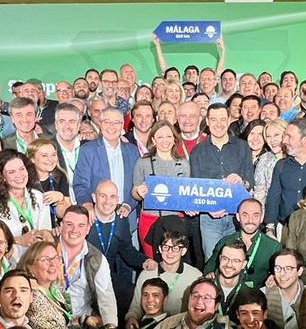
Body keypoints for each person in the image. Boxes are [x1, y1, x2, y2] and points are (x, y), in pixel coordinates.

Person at [191, 103, 255, 259]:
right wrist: (208, 207)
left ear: (228, 120)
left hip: (237, 216)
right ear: (207, 121)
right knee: (212, 261)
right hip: (209, 218)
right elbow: (195, 187)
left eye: (222, 119)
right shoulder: (197, 151)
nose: (218, 124)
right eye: (213, 119)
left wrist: (242, 181)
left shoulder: (243, 147)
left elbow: (250, 182)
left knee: (236, 260)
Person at [0, 150, 53, 258]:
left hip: (38, 259)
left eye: (22, 169)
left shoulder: (39, 197)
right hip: (8, 264)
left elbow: (46, 229)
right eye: (12, 172)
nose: (19, 175)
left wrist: (45, 233)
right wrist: (18, 240)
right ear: (2, 177)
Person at [89, 180, 148, 317]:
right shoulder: (85, 218)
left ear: (118, 199)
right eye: (102, 196)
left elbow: (128, 252)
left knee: (133, 297)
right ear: (94, 198)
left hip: (107, 278)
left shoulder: (120, 221)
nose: (107, 201)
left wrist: (146, 261)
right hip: (84, 280)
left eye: (112, 197)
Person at [131, 121, 190, 255]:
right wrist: (139, 192)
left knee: (172, 261)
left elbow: (186, 194)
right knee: (152, 263)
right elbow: (134, 192)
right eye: (160, 137)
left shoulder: (183, 164)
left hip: (175, 221)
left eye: (169, 136)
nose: (165, 141)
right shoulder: (143, 162)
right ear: (153, 140)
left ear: (174, 139)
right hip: (149, 220)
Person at [126, 229, 203, 327]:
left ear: (183, 251)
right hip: (151, 327)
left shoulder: (195, 276)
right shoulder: (147, 274)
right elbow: (136, 306)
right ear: (160, 249)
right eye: (166, 247)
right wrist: (131, 318)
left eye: (175, 248)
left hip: (180, 328)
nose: (170, 252)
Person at [72, 106, 139, 215]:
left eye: (116, 122)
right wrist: (87, 205)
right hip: (96, 215)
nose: (111, 127)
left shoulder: (132, 151)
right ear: (100, 124)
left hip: (126, 214)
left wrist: (128, 205)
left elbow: (138, 184)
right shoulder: (88, 150)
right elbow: (80, 184)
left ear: (122, 125)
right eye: (107, 122)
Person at [203, 198, 280, 289]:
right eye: (245, 215)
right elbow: (208, 270)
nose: (250, 220)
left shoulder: (273, 247)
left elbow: (281, 274)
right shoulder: (225, 241)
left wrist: (275, 277)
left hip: (257, 298)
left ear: (262, 218)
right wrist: (210, 275)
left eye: (255, 215)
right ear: (238, 217)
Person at [265, 118, 306, 232]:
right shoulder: (281, 165)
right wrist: (270, 227)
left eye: (289, 137)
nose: (284, 140)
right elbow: (274, 197)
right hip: (285, 228)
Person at [264, 249, 306, 329]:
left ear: (299, 271)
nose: (282, 273)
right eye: (278, 268)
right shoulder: (263, 295)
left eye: (288, 269)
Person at [29, 138, 71, 227]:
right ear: (32, 159)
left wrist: (61, 199)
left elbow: (63, 215)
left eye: (53, 155)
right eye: (44, 155)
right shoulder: (25, 179)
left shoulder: (60, 176)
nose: (50, 159)